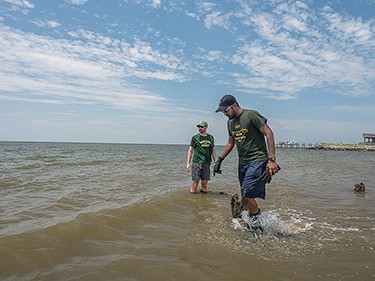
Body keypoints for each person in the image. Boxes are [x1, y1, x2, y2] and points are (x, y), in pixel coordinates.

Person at [214, 94, 280, 227]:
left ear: (234, 105)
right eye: (222, 112)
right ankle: (253, 220)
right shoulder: (230, 122)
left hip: (258, 159)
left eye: (225, 110)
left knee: (247, 195)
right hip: (242, 163)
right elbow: (230, 143)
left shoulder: (251, 115)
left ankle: (257, 227)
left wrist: (272, 160)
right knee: (245, 196)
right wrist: (219, 160)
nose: (225, 114)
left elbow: (269, 133)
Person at [186, 121, 217, 194]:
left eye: (202, 126)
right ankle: (193, 201)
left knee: (204, 184)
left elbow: (213, 150)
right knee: (195, 184)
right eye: (199, 127)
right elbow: (190, 151)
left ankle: (203, 202)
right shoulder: (195, 138)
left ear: (206, 127)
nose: (200, 128)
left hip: (206, 163)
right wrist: (188, 163)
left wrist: (216, 160)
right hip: (197, 163)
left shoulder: (211, 137)